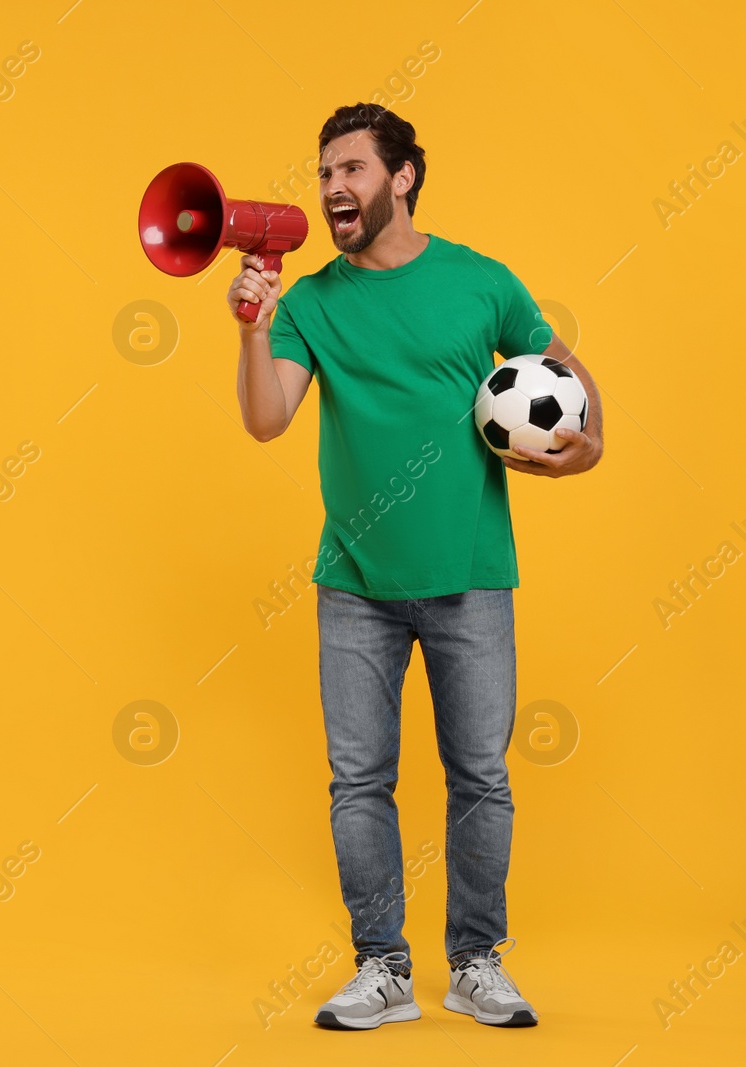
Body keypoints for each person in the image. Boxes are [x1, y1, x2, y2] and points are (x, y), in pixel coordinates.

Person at [227, 103, 604, 1030]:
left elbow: (565, 371)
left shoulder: (481, 283)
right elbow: (267, 417)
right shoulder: (310, 301)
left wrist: (586, 448)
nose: (331, 189)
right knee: (359, 780)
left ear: (402, 178)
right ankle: (383, 967)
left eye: (350, 169)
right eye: (322, 174)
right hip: (353, 581)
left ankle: (476, 960)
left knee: (480, 774)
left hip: (471, 572)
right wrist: (248, 328)